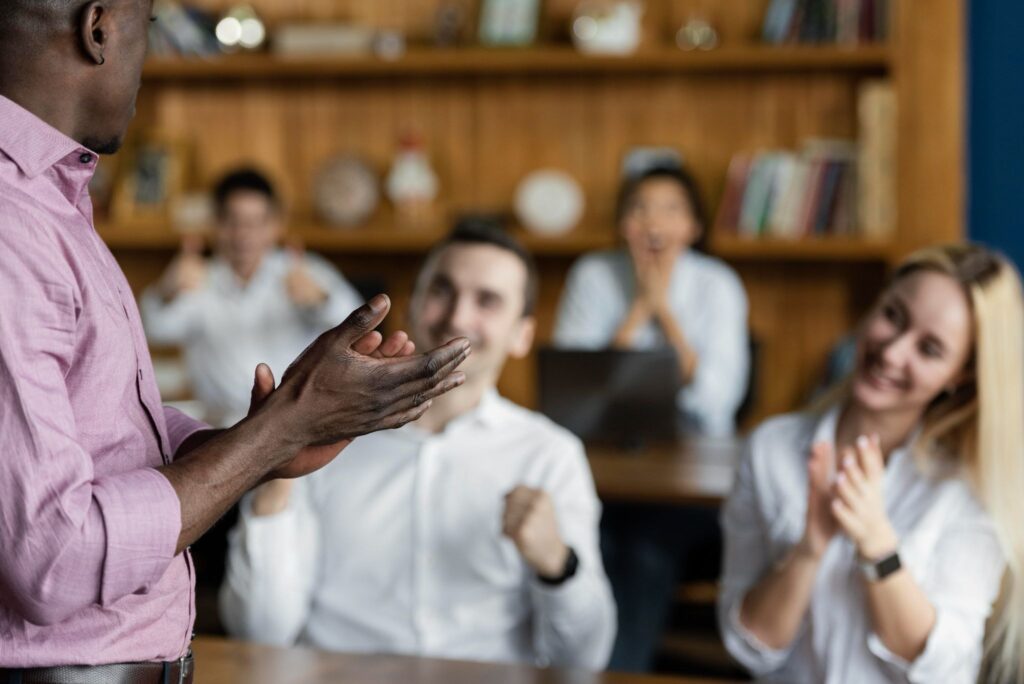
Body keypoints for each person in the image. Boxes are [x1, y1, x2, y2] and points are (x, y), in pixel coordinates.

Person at [0, 1, 470, 680]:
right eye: (150, 28)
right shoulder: (16, 226)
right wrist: (273, 434)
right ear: (97, 27)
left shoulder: (57, 206)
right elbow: (54, 559)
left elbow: (93, 419)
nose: (148, 61)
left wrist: (253, 443)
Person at [219, 223, 617, 670]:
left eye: (487, 300)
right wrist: (273, 481)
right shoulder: (321, 439)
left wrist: (557, 564)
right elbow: (260, 633)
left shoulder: (550, 455)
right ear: (412, 303)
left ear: (523, 333)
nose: (458, 317)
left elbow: (586, 657)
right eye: (442, 290)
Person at [719, 244, 1024, 683]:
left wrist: (877, 544)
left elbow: (944, 668)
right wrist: (808, 550)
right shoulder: (770, 448)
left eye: (930, 348)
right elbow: (748, 645)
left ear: (961, 376)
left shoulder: (967, 486)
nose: (893, 351)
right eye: (893, 316)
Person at [141, 168, 363, 426]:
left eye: (256, 222)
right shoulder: (195, 278)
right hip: (220, 430)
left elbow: (358, 323)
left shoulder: (303, 270)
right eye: (232, 222)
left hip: (295, 424)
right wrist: (167, 290)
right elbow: (154, 330)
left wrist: (319, 299)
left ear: (276, 224)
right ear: (215, 223)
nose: (243, 234)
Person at [552, 165, 749, 438]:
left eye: (671, 209)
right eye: (639, 208)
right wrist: (641, 308)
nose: (653, 223)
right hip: (603, 434)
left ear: (694, 228)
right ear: (623, 224)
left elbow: (718, 399)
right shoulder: (592, 275)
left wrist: (663, 311)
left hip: (697, 438)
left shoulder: (719, 284)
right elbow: (575, 391)